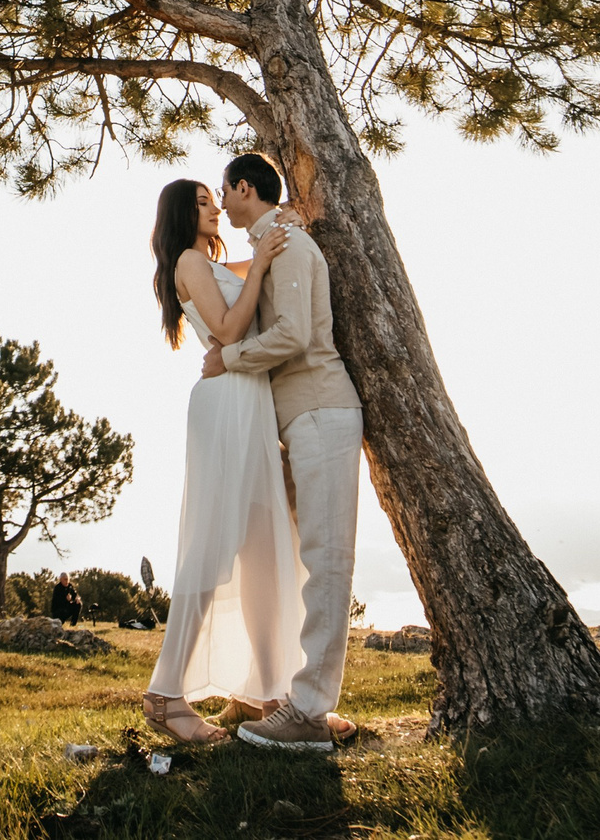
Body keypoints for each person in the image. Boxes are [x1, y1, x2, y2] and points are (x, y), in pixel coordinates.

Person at [139, 172, 309, 744]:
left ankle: (271, 692)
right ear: (182, 216)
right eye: (203, 203)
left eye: (216, 199)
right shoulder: (188, 262)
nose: (214, 209)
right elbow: (231, 331)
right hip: (225, 404)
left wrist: (274, 234)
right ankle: (165, 694)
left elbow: (258, 263)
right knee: (213, 544)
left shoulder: (212, 265)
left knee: (263, 546)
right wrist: (258, 265)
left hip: (250, 403)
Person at [207, 152, 364, 752]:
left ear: (245, 187)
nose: (221, 201)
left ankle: (309, 712)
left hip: (323, 411)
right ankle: (293, 695)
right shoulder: (275, 239)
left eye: (225, 189)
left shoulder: (291, 246)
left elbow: (296, 334)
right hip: (297, 420)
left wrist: (230, 358)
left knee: (327, 558)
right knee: (300, 559)